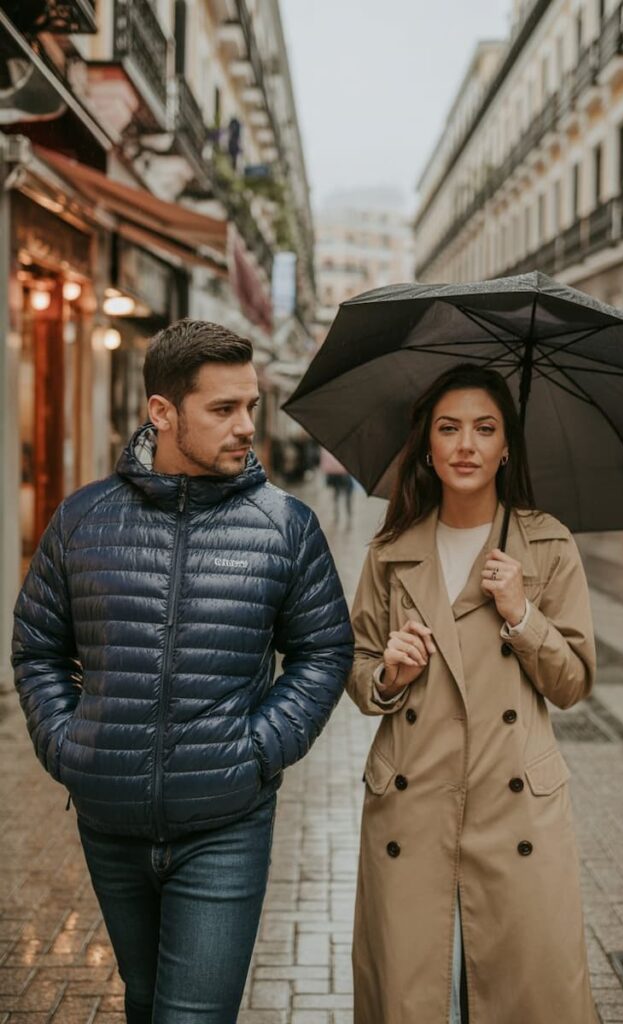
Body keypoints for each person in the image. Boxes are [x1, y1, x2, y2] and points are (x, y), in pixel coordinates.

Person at [13, 319, 353, 1024]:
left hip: (225, 822)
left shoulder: (284, 526)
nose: (245, 426)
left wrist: (256, 748)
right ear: (161, 412)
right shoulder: (82, 520)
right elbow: (38, 648)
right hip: (109, 823)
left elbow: (323, 651)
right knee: (143, 1003)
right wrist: (69, 744)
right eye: (223, 409)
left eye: (250, 406)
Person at [346, 364, 598, 1024]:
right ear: (426, 445)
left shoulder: (546, 544)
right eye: (448, 428)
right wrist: (386, 675)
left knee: (522, 987)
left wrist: (521, 615)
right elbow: (356, 661)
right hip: (412, 796)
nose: (465, 445)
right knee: (413, 988)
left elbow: (571, 682)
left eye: (484, 429)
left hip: (514, 803)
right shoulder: (391, 550)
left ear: (506, 446)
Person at [320, 447, 354, 526]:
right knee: (346, 497)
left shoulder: (329, 444)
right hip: (344, 474)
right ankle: (347, 516)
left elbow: (324, 463)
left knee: (337, 495)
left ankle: (338, 515)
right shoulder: (348, 447)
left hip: (336, 474)